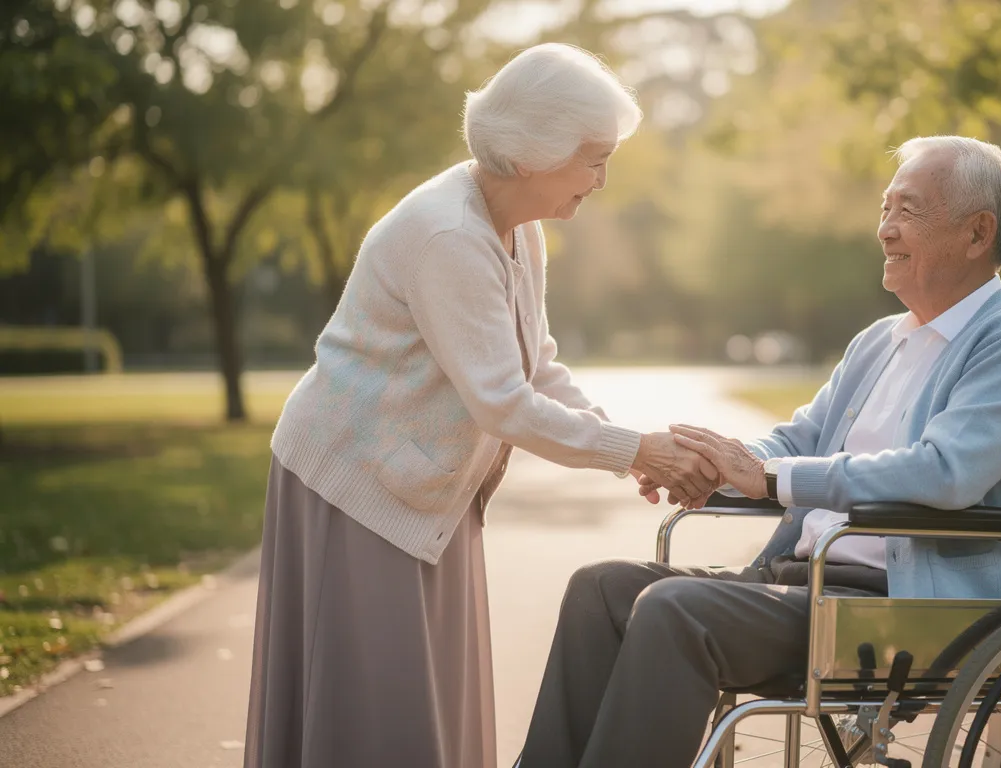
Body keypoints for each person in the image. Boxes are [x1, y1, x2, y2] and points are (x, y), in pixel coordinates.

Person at [517, 136, 1001, 768]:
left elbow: (945, 474)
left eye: (907, 212)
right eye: (885, 210)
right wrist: (711, 461)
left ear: (977, 234)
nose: (884, 231)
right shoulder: (881, 341)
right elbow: (794, 443)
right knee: (599, 590)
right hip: (812, 585)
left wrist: (771, 476)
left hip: (912, 605)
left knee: (676, 610)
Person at [244, 44, 717, 768]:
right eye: (593, 158)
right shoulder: (448, 235)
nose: (601, 179)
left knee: (426, 696)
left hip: (423, 487)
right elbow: (505, 404)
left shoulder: (519, 228)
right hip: (356, 484)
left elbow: (537, 366)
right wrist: (636, 450)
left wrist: (628, 451)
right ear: (532, 153)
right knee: (377, 699)